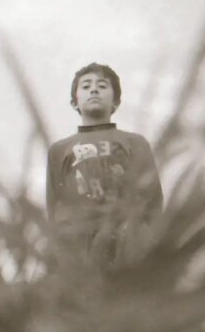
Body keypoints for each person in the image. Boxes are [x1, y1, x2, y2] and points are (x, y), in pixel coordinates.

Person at [45, 63, 163, 271]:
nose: (94, 89)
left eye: (102, 85)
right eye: (86, 86)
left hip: (125, 241)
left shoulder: (134, 143)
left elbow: (152, 200)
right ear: (75, 102)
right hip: (80, 246)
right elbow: (55, 204)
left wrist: (141, 238)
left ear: (116, 102)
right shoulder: (60, 149)